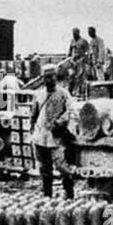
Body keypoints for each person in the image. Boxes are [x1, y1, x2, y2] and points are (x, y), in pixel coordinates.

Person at [31, 65, 75, 198]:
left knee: (62, 167)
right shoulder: (39, 95)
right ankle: (47, 195)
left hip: (56, 137)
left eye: (51, 77)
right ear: (43, 79)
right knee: (44, 168)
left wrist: (59, 122)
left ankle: (69, 194)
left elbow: (71, 111)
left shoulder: (63, 94)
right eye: (46, 77)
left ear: (56, 77)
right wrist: (32, 130)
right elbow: (33, 114)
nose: (49, 80)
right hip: (40, 136)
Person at [67, 28, 92, 98]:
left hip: (81, 61)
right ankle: (70, 92)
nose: (74, 35)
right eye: (73, 33)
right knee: (71, 76)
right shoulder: (72, 41)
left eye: (75, 33)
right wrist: (68, 58)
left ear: (78, 33)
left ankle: (79, 92)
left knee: (80, 77)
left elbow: (88, 51)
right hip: (73, 61)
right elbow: (70, 50)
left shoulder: (83, 41)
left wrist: (86, 58)